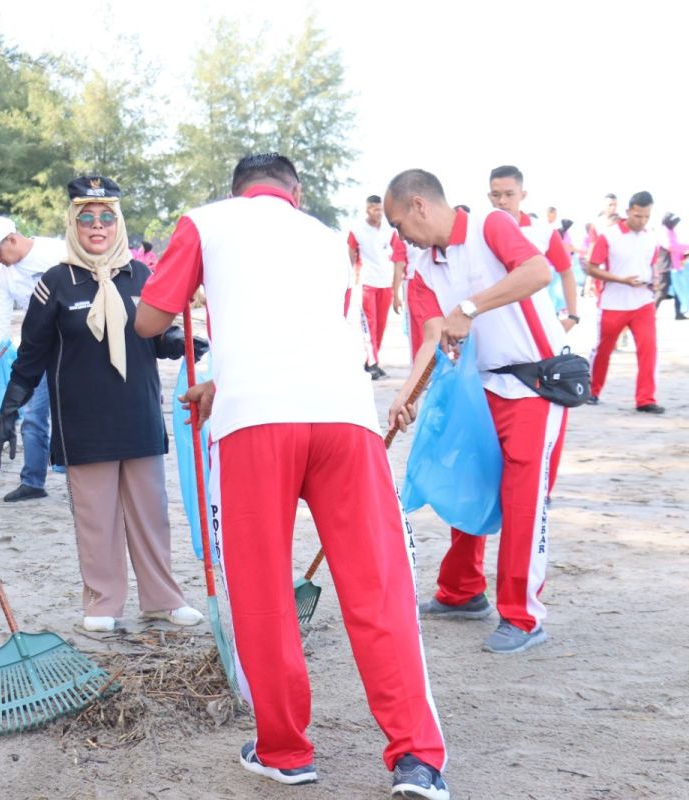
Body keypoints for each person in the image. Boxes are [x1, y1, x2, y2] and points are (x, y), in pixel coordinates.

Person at [136, 154, 450, 799]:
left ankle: (286, 752)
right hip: (344, 418)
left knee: (263, 591)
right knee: (378, 590)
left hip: (257, 425)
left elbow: (148, 321)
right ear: (295, 193)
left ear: (236, 192)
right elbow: (304, 333)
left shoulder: (203, 222)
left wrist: (194, 296)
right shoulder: (329, 237)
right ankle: (417, 759)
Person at [0, 176, 204, 633]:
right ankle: (103, 602)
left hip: (138, 412)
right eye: (86, 218)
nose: (97, 226)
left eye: (107, 217)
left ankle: (163, 599)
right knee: (96, 517)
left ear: (119, 222)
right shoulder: (55, 282)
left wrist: (180, 342)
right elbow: (31, 354)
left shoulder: (143, 276)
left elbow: (155, 332)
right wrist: (10, 410)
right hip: (82, 419)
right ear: (73, 224)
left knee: (151, 513)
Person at [383, 169, 567, 658]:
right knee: (470, 481)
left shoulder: (490, 224)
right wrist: (407, 394)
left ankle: (523, 617)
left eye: (400, 225)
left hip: (535, 383)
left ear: (420, 206)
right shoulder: (422, 268)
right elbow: (431, 338)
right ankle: (462, 591)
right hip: (480, 386)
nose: (400, 237)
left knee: (523, 498)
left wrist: (470, 305)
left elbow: (538, 273)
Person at [0, 216, 66, 501]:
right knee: (34, 416)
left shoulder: (57, 253)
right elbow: (0, 318)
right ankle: (33, 482)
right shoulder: (5, 273)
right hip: (38, 348)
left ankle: (86, 476)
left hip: (74, 347)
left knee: (74, 415)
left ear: (11, 240)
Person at [583, 191, 663, 413]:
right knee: (603, 350)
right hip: (613, 303)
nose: (642, 221)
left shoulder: (651, 238)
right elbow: (591, 267)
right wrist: (621, 280)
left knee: (649, 350)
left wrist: (654, 280)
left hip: (643, 303)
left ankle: (646, 399)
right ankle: (593, 391)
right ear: (628, 211)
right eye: (638, 215)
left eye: (647, 216)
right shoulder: (608, 236)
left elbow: (652, 264)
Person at [486, 165, 579, 330]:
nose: (502, 201)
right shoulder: (479, 230)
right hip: (493, 319)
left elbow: (566, 272)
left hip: (538, 320)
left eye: (509, 194)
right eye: (496, 195)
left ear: (522, 195)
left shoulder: (543, 231)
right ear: (489, 196)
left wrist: (572, 316)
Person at [348, 194, 407, 379]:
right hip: (366, 282)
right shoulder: (357, 230)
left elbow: (397, 254)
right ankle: (372, 363)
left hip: (385, 283)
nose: (378, 213)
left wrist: (395, 288)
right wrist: (351, 279)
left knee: (381, 326)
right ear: (367, 210)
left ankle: (372, 361)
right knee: (370, 325)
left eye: (380, 209)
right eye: (375, 209)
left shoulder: (390, 230)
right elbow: (350, 256)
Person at [657, 212, 687, 320]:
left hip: (674, 266)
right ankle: (651, 312)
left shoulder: (672, 232)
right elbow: (671, 247)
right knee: (662, 291)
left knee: (678, 291)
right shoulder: (663, 232)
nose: (675, 223)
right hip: (665, 266)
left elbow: (677, 248)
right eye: (673, 221)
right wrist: (686, 246)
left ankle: (679, 314)